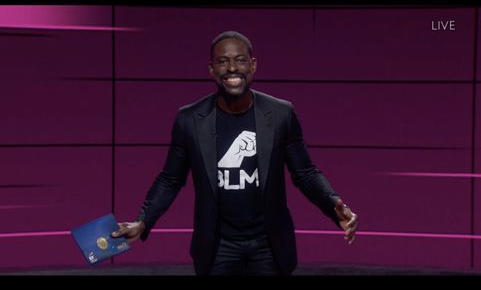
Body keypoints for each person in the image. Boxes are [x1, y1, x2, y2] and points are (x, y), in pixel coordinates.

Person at [112, 30, 359, 276]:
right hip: (218, 246)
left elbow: (305, 173)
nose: (232, 68)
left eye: (240, 60)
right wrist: (143, 221)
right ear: (211, 69)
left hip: (268, 245)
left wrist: (332, 203)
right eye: (222, 61)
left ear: (253, 65)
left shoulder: (281, 114)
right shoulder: (189, 119)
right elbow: (171, 179)